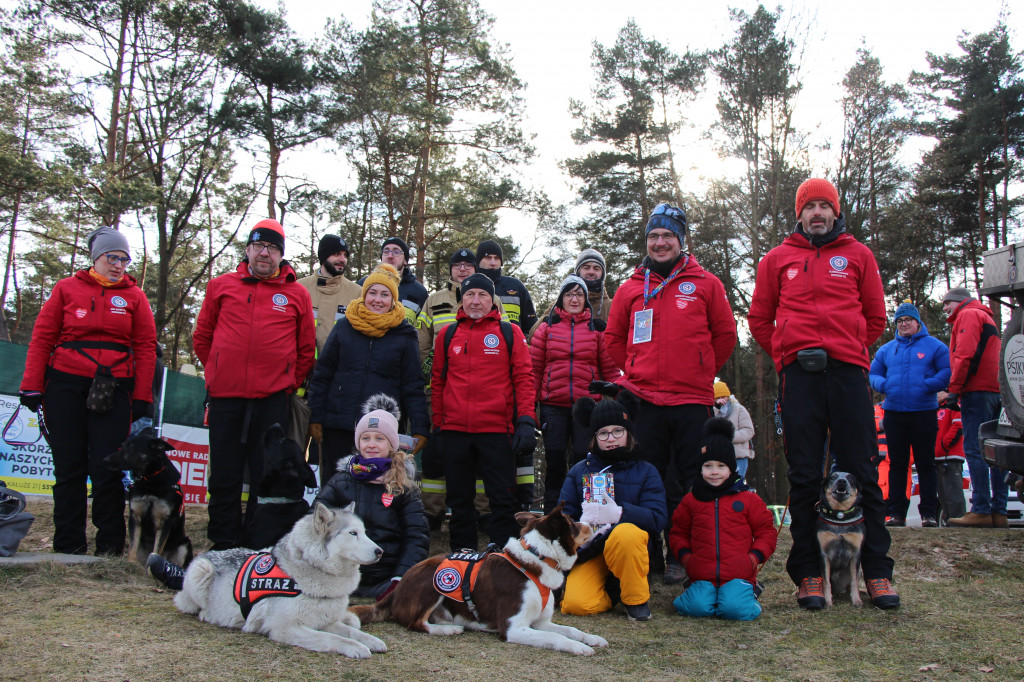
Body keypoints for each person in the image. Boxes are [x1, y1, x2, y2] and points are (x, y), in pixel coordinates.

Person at [747, 178, 899, 609]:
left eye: (823, 206)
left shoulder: (858, 254)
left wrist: (851, 348)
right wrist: (785, 354)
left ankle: (877, 572)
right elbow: (760, 319)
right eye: (809, 206)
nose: (817, 213)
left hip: (849, 375)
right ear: (799, 214)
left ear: (835, 211)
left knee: (863, 470)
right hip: (800, 377)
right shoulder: (776, 259)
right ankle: (809, 574)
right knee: (804, 474)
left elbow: (874, 316)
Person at [603, 202, 737, 584]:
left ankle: (684, 555)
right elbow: (614, 339)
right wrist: (635, 368)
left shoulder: (707, 283)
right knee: (646, 479)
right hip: (644, 400)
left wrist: (700, 370)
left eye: (667, 236)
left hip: (691, 400)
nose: (660, 243)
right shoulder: (630, 288)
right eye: (654, 237)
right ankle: (648, 556)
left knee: (691, 479)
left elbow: (725, 335)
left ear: (681, 241)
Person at [19, 226, 157, 556]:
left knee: (107, 467)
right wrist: (31, 386)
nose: (119, 264)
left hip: (114, 388)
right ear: (96, 258)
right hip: (65, 385)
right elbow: (42, 339)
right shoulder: (66, 289)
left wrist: (141, 396)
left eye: (125, 259)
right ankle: (68, 546)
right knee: (69, 467)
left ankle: (109, 548)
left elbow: (146, 348)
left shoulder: (135, 298)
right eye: (113, 257)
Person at [193, 218, 315, 550]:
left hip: (272, 399)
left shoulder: (297, 294)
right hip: (225, 397)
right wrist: (218, 369)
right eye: (259, 246)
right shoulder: (221, 286)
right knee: (224, 475)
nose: (265, 253)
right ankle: (223, 542)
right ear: (247, 249)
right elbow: (203, 337)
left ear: (281, 255)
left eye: (272, 248)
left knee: (266, 475)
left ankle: (258, 543)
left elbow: (306, 349)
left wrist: (287, 382)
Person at [430, 272, 536, 551]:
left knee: (502, 499)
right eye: (469, 295)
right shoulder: (447, 334)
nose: (475, 301)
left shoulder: (508, 332)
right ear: (461, 300)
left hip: (496, 431)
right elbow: (438, 381)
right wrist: (438, 425)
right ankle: (462, 557)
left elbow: (524, 379)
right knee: (459, 500)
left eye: (483, 295)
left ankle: (502, 557)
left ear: (493, 301)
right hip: (455, 432)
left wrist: (526, 420)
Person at [307, 264, 429, 487]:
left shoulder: (404, 334)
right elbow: (323, 375)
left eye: (385, 294)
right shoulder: (344, 327)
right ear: (364, 295)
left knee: (377, 488)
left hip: (382, 431)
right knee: (337, 487)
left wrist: (420, 428)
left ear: (393, 300)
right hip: (339, 425)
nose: (377, 300)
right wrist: (315, 416)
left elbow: (412, 386)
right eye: (372, 292)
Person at [558, 391, 667, 622]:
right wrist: (578, 525)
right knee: (577, 604)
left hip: (629, 549)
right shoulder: (579, 471)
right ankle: (613, 591)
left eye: (618, 431)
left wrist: (620, 513)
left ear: (628, 433)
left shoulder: (646, 470)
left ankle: (635, 601)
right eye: (603, 433)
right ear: (594, 437)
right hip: (591, 550)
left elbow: (658, 518)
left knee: (625, 533)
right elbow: (564, 516)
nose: (611, 438)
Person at [414, 248, 502, 529]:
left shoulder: (493, 298)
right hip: (440, 392)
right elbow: (422, 343)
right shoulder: (433, 300)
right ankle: (432, 511)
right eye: (457, 265)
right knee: (435, 455)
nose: (462, 269)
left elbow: (504, 342)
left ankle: (482, 511)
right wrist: (428, 378)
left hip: (483, 395)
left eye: (468, 265)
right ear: (449, 270)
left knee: (478, 457)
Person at [315, 394, 430, 599]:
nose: (371, 444)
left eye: (379, 439)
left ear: (392, 444)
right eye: (365, 438)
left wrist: (400, 578)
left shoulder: (404, 487)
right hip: (341, 575)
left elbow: (416, 536)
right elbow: (314, 522)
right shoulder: (341, 481)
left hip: (385, 577)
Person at [669, 417, 776, 621]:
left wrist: (753, 558)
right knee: (697, 608)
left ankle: (748, 597)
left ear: (731, 468)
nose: (715, 472)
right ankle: (695, 594)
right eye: (708, 466)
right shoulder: (692, 500)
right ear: (700, 469)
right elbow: (678, 532)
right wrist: (686, 558)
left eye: (721, 466)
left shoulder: (748, 499)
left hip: (738, 575)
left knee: (734, 610)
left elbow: (766, 532)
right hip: (701, 575)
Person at [530, 275, 620, 513]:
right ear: (561, 298)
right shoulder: (546, 329)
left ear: (585, 300)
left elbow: (611, 370)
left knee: (586, 459)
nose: (574, 298)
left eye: (579, 294)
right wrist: (529, 409)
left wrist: (622, 399)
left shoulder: (596, 330)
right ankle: (552, 513)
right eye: (569, 294)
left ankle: (589, 513)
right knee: (555, 460)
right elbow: (534, 370)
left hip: (586, 406)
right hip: (552, 405)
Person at [868, 302, 950, 528]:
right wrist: (883, 385)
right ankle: (896, 514)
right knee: (897, 464)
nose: (904, 324)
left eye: (908, 320)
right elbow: (873, 373)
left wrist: (929, 385)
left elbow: (946, 371)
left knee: (925, 463)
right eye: (900, 321)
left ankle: (928, 514)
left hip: (924, 411)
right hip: (894, 412)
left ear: (917, 322)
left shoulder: (935, 347)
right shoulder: (887, 349)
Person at [938, 287, 1007, 528]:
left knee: (976, 449)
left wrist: (954, 389)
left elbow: (964, 354)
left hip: (976, 390)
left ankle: (980, 509)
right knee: (995, 452)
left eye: (947, 303)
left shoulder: (968, 315)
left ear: (959, 301)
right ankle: (999, 512)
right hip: (996, 390)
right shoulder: (986, 316)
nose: (945, 308)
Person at [296, 234, 361, 354]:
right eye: (337, 254)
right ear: (324, 256)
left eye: (345, 255)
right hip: (305, 368)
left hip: (340, 370)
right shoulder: (299, 288)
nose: (343, 259)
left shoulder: (357, 293)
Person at [529, 248, 614, 339]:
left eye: (596, 269)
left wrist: (608, 328)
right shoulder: (559, 304)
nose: (591, 272)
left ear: (602, 274)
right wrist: (545, 321)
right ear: (578, 272)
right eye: (586, 267)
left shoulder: (612, 306)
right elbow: (532, 336)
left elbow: (623, 339)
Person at [359, 236, 428, 327]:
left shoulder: (419, 291)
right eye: (386, 251)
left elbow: (423, 331)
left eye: (396, 252)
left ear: (405, 261)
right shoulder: (363, 284)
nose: (390, 256)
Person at [476, 239, 538, 333]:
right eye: (488, 257)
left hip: (513, 345)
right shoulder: (468, 286)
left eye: (496, 258)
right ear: (478, 261)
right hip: (479, 344)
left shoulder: (515, 286)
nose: (493, 262)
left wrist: (525, 345)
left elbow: (531, 325)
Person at [712, 381, 755, 481]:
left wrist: (729, 436)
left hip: (739, 457)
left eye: (723, 396)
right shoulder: (712, 411)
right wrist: (715, 408)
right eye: (717, 398)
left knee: (736, 485)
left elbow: (749, 431)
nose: (721, 400)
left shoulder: (739, 409)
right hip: (719, 458)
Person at [934, 404, 967, 525]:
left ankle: (958, 521)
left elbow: (958, 425)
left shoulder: (953, 406)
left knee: (953, 493)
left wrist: (944, 444)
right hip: (938, 457)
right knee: (943, 495)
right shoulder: (936, 408)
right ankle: (948, 522)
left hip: (951, 456)